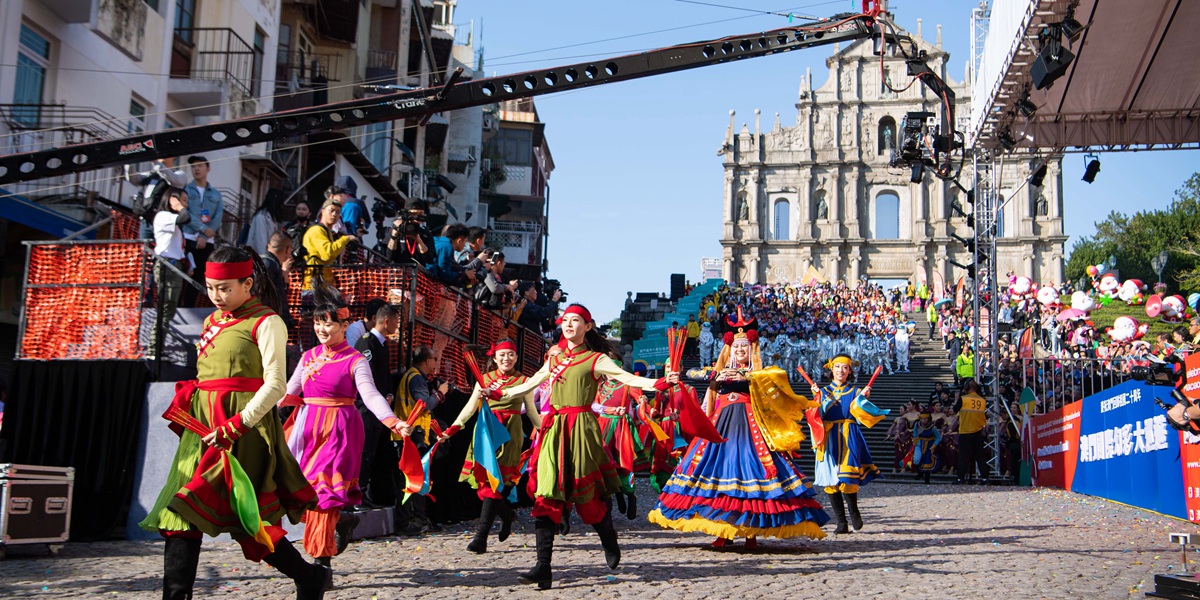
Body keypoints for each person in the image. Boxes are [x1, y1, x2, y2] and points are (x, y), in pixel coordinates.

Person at [139, 245, 331, 600]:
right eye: (211, 287)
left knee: (248, 519)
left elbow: (275, 385)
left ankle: (308, 576)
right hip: (202, 429)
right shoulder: (212, 321)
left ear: (248, 283)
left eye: (226, 288)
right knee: (181, 512)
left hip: (245, 430)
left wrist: (236, 425)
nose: (217, 296)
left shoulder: (267, 321)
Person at [488, 304, 677, 589]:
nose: (569, 324)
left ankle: (608, 537)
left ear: (587, 326)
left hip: (582, 429)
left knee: (586, 498)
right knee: (546, 495)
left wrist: (659, 382)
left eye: (575, 320)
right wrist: (497, 391)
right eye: (566, 320)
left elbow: (627, 378)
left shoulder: (595, 359)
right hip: (554, 429)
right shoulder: (554, 360)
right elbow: (530, 385)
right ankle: (543, 567)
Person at [647, 314, 829, 548]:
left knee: (751, 474)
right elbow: (692, 373)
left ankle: (750, 534)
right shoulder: (720, 370)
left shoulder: (761, 373)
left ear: (752, 349)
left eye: (744, 347)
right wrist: (716, 375)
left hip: (750, 427)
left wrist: (745, 375)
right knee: (719, 474)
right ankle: (724, 532)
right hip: (721, 425)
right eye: (735, 347)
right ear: (729, 350)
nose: (740, 350)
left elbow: (776, 376)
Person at [281, 284, 407, 582]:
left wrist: (393, 421)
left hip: (339, 431)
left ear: (343, 325)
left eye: (329, 323)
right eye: (318, 322)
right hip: (307, 431)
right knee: (310, 494)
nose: (323, 328)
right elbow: (288, 392)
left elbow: (371, 395)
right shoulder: (308, 356)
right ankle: (343, 521)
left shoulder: (355, 360)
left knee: (323, 495)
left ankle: (321, 567)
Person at [438, 340, 541, 554]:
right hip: (485, 432)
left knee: (495, 485)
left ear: (516, 357)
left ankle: (481, 536)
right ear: (494, 358)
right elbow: (469, 408)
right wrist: (453, 429)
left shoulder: (524, 381)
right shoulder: (484, 380)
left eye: (511, 354)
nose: (507, 359)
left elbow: (531, 411)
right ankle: (506, 514)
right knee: (484, 485)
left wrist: (546, 430)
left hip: (509, 435)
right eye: (502, 354)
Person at [810, 354, 888, 534]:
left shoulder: (855, 391)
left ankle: (854, 511)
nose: (841, 371)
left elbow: (862, 416)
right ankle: (841, 522)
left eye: (845, 368)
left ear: (849, 371)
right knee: (831, 481)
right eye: (837, 367)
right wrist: (815, 399)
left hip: (849, 434)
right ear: (831, 369)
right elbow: (815, 416)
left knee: (848, 476)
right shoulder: (822, 392)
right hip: (829, 438)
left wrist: (864, 399)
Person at [391, 345, 448, 535]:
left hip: (410, 435)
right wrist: (440, 393)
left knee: (415, 478)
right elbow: (424, 405)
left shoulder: (412, 376)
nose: (435, 363)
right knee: (412, 479)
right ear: (427, 361)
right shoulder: (415, 378)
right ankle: (410, 521)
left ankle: (417, 519)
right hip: (411, 437)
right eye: (434, 359)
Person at [353, 303, 402, 509]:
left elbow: (384, 375)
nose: (397, 326)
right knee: (362, 452)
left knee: (371, 452)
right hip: (366, 406)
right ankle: (356, 495)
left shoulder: (382, 344)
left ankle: (363, 492)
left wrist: (389, 393)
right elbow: (368, 376)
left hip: (379, 408)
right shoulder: (367, 342)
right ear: (387, 321)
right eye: (397, 322)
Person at [592, 367, 646, 520]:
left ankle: (630, 494)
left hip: (622, 427)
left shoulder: (627, 384)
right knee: (604, 461)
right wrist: (609, 409)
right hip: (603, 425)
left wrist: (643, 402)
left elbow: (640, 400)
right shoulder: (599, 386)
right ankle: (613, 494)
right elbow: (593, 405)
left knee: (623, 460)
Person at [150, 187, 192, 357]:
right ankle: (154, 348)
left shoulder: (171, 220)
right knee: (166, 307)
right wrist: (179, 207)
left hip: (175, 265)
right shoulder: (163, 216)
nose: (185, 205)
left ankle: (157, 347)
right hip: (167, 264)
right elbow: (185, 217)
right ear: (172, 200)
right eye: (183, 200)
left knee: (170, 307)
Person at [180, 156, 223, 306]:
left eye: (199, 166)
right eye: (193, 167)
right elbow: (186, 213)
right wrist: (203, 229)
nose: (196, 169)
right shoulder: (186, 190)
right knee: (183, 272)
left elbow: (218, 216)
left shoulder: (216, 194)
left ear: (208, 168)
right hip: (188, 237)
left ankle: (189, 306)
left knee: (199, 276)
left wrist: (205, 235)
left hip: (207, 241)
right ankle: (178, 306)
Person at [302, 198, 357, 290]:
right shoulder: (317, 231)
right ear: (323, 212)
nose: (334, 214)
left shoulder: (327, 232)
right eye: (331, 210)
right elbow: (328, 253)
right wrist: (345, 239)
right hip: (313, 286)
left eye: (338, 212)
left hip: (323, 284)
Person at [954, 379, 990, 483]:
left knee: (963, 456)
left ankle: (960, 478)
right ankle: (985, 478)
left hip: (965, 430)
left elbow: (955, 409)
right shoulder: (982, 400)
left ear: (966, 388)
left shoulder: (963, 399)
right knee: (980, 456)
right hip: (978, 431)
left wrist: (958, 397)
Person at [260, 232, 294, 328]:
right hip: (269, 321)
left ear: (268, 246)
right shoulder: (270, 265)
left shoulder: (266, 263)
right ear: (288, 249)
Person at [909, 409, 941, 484]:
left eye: (925, 419)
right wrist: (915, 439)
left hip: (929, 444)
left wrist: (934, 445)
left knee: (927, 461)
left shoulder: (933, 427)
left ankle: (927, 479)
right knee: (917, 459)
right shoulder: (917, 424)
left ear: (928, 419)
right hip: (919, 443)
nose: (923, 420)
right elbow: (915, 432)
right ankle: (919, 473)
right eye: (921, 419)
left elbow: (938, 437)